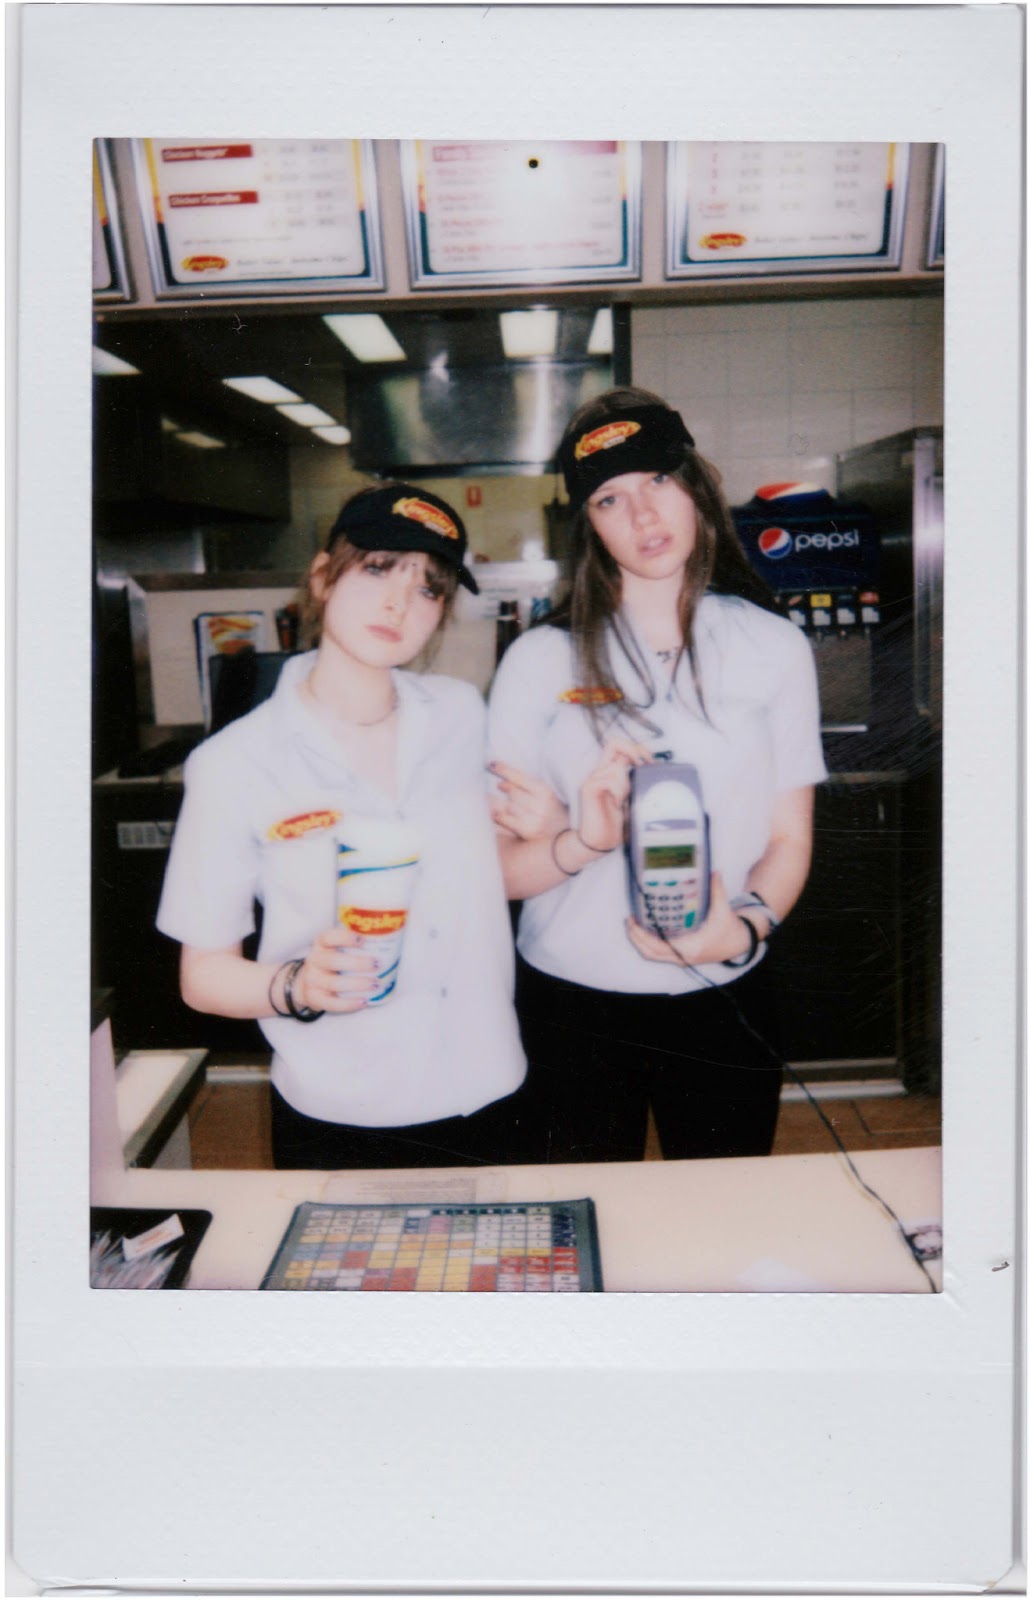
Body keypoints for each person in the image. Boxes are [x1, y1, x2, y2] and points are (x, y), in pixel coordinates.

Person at [487, 388, 827, 1164]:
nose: (642, 515)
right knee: (580, 1217)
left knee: (719, 1214)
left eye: (658, 482)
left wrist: (743, 928)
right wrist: (580, 839)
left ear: (696, 487)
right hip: (570, 1003)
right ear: (589, 525)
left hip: (725, 992)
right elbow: (497, 869)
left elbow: (789, 838)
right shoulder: (538, 661)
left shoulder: (774, 647)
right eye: (609, 499)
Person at [158, 483, 526, 1169]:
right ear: (324, 577)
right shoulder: (235, 763)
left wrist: (571, 837)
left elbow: (498, 867)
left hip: (490, 1086)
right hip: (341, 1108)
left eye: (429, 587)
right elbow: (202, 974)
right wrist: (296, 985)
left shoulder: (460, 715)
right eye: (379, 568)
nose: (400, 603)